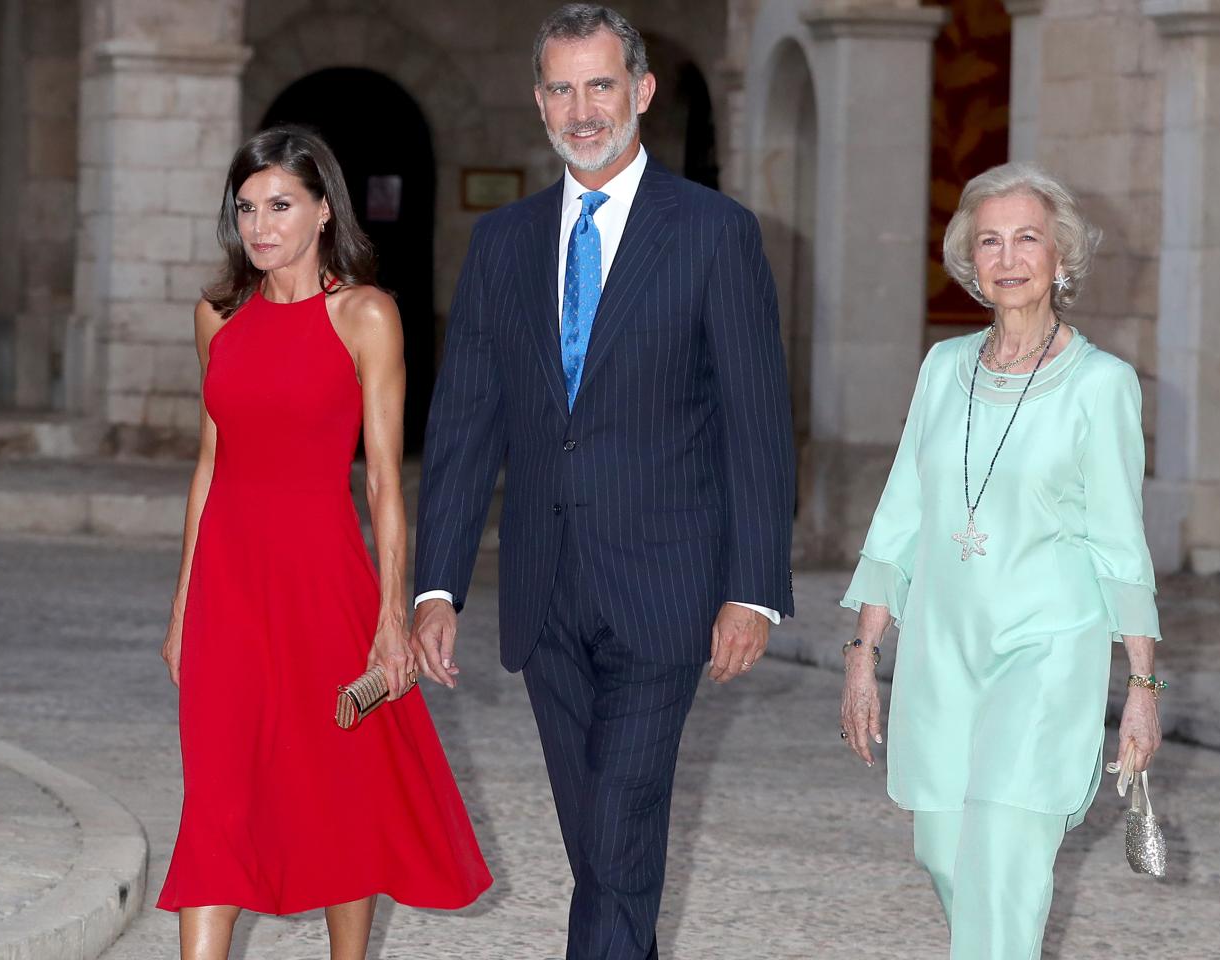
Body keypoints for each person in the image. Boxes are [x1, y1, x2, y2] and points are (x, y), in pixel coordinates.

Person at [410, 5, 795, 958]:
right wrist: (435, 585)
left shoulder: (715, 233)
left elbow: (757, 425)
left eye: (601, 85)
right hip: (544, 591)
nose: (583, 110)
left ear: (642, 93)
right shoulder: (502, 244)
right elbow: (465, 424)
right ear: (539, 98)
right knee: (599, 842)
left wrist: (753, 589)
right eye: (562, 88)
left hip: (666, 587)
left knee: (620, 820)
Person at [156, 125, 491, 960]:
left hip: (323, 583)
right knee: (218, 799)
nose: (260, 226)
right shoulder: (216, 317)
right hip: (228, 590)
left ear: (321, 210)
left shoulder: (366, 315)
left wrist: (391, 614)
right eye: (246, 208)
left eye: (280, 206)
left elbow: (384, 480)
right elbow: (208, 465)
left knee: (334, 786)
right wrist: (181, 607)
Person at [837, 162, 1165, 959]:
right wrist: (862, 655)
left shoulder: (1101, 385)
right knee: (943, 852)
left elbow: (1121, 543)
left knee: (1001, 865)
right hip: (944, 653)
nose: (1008, 256)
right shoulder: (943, 370)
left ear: (1061, 257)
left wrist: (1143, 687)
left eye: (1028, 238)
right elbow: (899, 518)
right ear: (970, 261)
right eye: (990, 241)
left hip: (1047, 650)